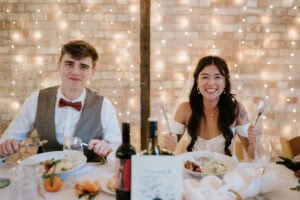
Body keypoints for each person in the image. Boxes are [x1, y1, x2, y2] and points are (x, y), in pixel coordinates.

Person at [0, 40, 121, 162]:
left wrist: (109, 150)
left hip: (89, 177)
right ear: (59, 66)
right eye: (69, 64)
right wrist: (5, 148)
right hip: (46, 175)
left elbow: (118, 153)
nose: (75, 72)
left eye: (83, 67)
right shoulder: (36, 99)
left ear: (92, 72)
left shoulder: (104, 105)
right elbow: (6, 142)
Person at [163, 55, 262, 158]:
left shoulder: (236, 109)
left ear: (225, 82)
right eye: (205, 77)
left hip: (226, 171)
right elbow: (169, 148)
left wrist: (255, 139)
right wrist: (170, 142)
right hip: (195, 171)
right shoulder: (184, 109)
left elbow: (252, 154)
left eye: (217, 77)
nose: (211, 83)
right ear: (197, 81)